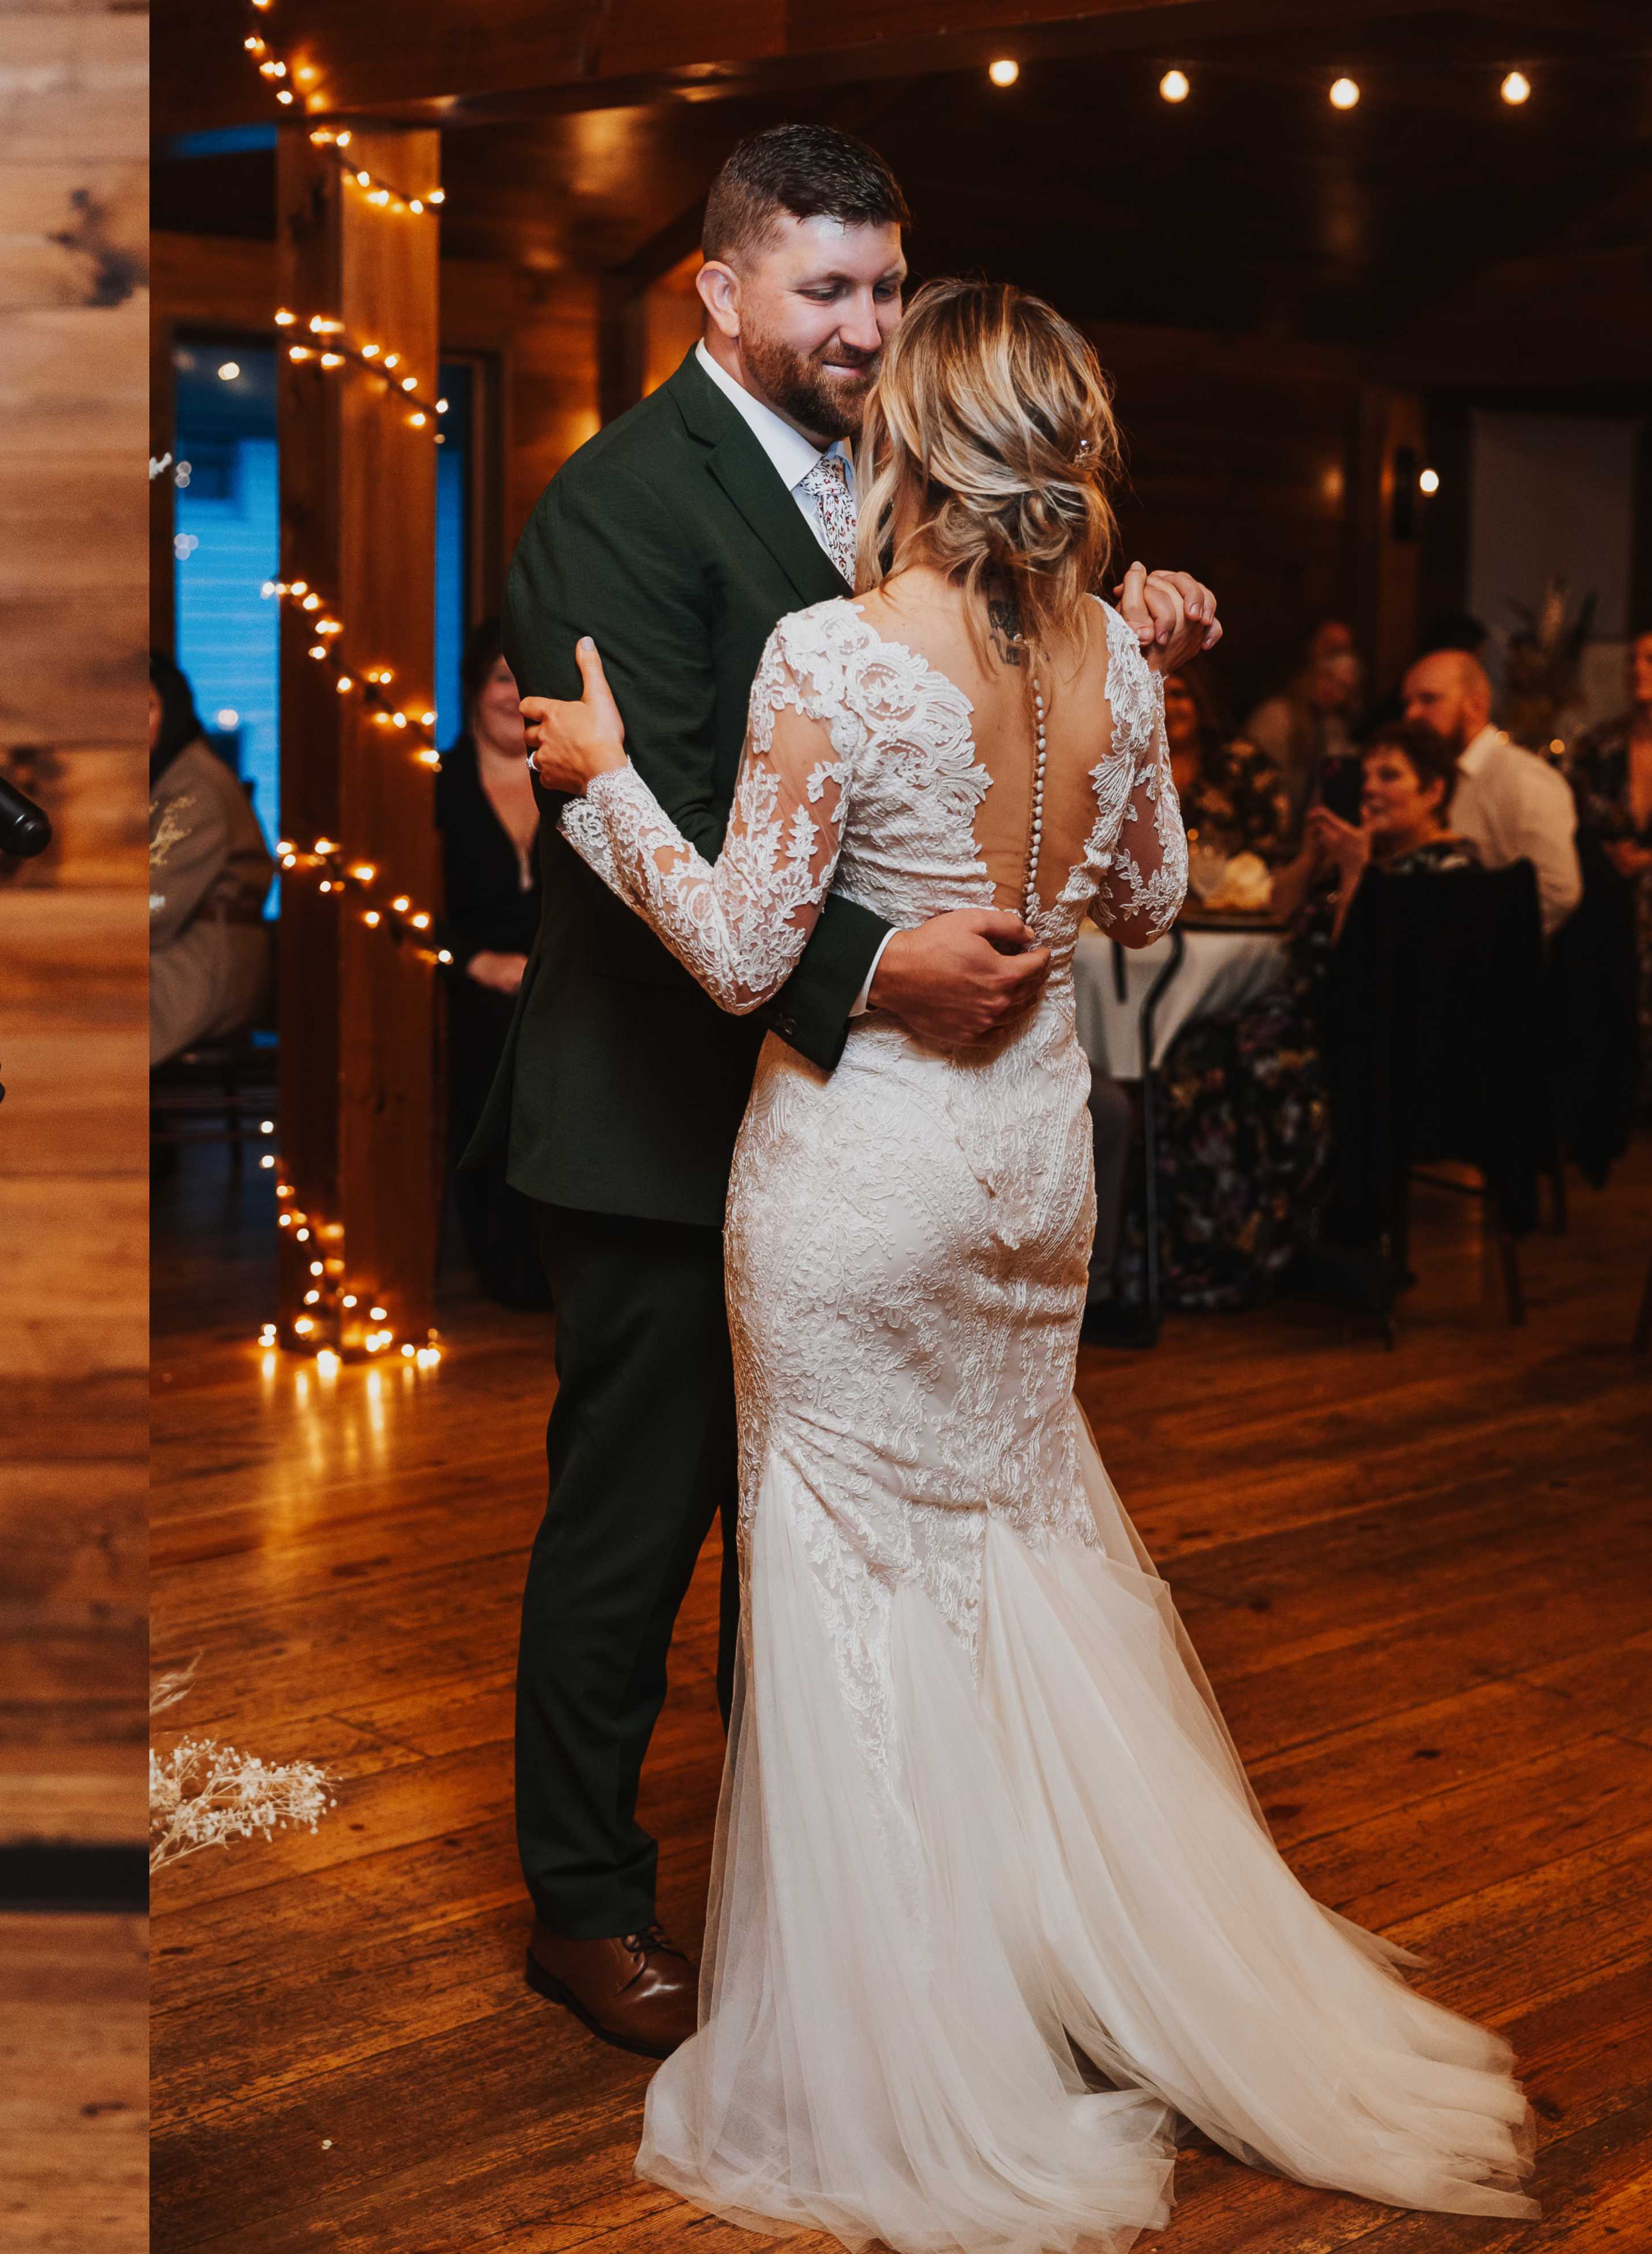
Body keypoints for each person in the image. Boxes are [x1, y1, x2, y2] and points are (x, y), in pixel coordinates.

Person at [524, 277, 1533, 2248]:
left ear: (915, 438)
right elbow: (1147, 902)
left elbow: (742, 951)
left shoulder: (837, 651)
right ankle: (1058, 1956)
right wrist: (1132, 703)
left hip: (865, 1162)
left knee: (846, 1572)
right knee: (1007, 1536)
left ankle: (907, 2038)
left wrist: (599, 781)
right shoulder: (1117, 661)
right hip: (1029, 1171)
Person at [468, 120, 1219, 2065]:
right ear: (719, 288)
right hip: (660, 1105)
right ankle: (591, 1897)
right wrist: (883, 963)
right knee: (635, 1528)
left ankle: (843, 1902)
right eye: (829, 288)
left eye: (891, 286)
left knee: (838, 1533)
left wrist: (1111, 644)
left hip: (882, 1131)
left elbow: (953, 729)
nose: (871, 325)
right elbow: (706, 805)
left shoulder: (912, 496)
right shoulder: (617, 499)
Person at [1141, 727, 1479, 1311]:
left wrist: (1356, 875)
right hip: (1304, 1020)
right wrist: (1313, 857)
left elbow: (1364, 978)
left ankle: (1253, 1252)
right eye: (1366, 775)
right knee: (1185, 1052)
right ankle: (1190, 1251)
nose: (1371, 789)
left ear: (1435, 792)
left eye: (1391, 776)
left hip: (1367, 1047)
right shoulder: (1369, 851)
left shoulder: (1447, 870)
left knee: (1227, 1073)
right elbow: (1279, 908)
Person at [432, 616, 550, 1307]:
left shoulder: (568, 780)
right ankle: (503, 1259)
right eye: (501, 678)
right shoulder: (438, 785)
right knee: (488, 1048)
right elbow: (407, 908)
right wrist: (471, 961)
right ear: (474, 689)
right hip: (470, 981)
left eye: (523, 679)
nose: (512, 695)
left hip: (561, 977)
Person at [1398, 646, 1582, 936]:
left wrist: (1475, 943)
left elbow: (1557, 890)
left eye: (1429, 700)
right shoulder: (1423, 778)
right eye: (1408, 702)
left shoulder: (1523, 778)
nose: (1412, 714)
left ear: (1476, 706)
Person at [150, 654, 274, 1066]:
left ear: (172, 711)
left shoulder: (193, 786)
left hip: (193, 970)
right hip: (183, 959)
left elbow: (157, 905)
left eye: (145, 708)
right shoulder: (169, 776)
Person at [1562, 627, 1652, 1110]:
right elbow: (1574, 817)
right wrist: (1611, 856)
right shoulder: (1600, 745)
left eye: (1650, 659)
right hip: (1609, 889)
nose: (1639, 670)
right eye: (1633, 660)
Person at [1242, 619, 1361, 847]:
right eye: (1327, 678)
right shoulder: (1276, 717)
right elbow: (1258, 786)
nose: (1333, 691)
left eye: (1343, 687)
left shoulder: (1332, 727)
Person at [1165, 662, 1290, 865]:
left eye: (1179, 695)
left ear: (1200, 700)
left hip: (1236, 890)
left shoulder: (1240, 762)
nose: (1167, 707)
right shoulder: (1136, 765)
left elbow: (1274, 836)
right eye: (1156, 696)